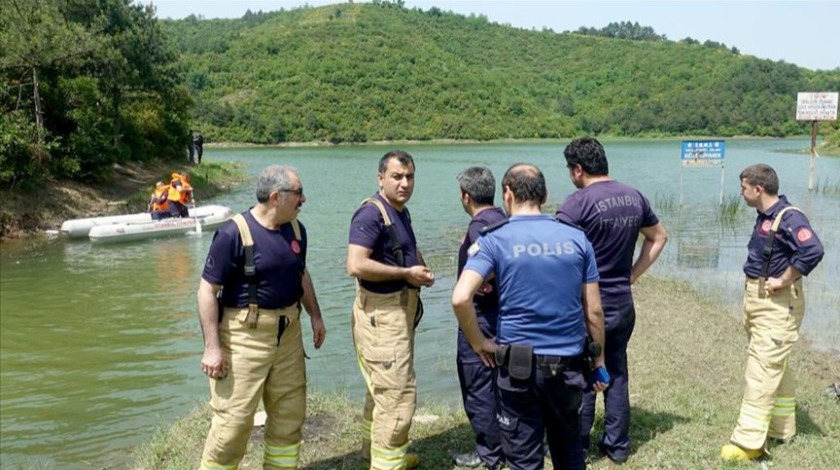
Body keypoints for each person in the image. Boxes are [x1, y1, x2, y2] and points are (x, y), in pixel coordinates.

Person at [452, 163, 608, 470]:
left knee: (523, 459)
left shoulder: (494, 239)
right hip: (569, 368)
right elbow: (594, 311)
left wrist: (479, 342)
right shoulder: (577, 239)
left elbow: (460, 297)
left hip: (518, 370)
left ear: (507, 194)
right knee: (569, 451)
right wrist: (599, 361)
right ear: (546, 195)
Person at [197, 165, 327, 469]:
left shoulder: (296, 230)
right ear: (275, 197)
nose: (303, 199)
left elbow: (301, 274)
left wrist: (315, 317)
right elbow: (206, 291)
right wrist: (212, 347)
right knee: (233, 424)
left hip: (289, 335)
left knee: (289, 415)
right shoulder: (233, 233)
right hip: (244, 337)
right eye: (298, 193)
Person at [556, 137, 668, 464]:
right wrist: (631, 274)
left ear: (578, 169)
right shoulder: (634, 196)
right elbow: (659, 236)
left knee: (583, 368)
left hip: (587, 304)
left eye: (570, 171)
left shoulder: (577, 204)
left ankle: (578, 442)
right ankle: (617, 446)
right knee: (616, 368)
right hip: (622, 301)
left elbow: (558, 254)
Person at [720, 164, 824, 461]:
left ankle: (749, 442)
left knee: (761, 368)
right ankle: (781, 428)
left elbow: (813, 250)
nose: (740, 193)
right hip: (760, 301)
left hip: (777, 303)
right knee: (775, 364)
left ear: (758, 189)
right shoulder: (766, 217)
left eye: (743, 188)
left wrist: (784, 278)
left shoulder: (789, 217)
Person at [347, 150, 435, 470]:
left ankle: (376, 454)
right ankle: (388, 463)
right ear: (380, 178)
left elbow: (404, 246)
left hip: (399, 313)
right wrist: (405, 275)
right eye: (397, 177)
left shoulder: (399, 211)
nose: (405, 183)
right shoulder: (370, 214)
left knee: (382, 391)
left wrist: (419, 266)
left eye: (409, 177)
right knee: (398, 396)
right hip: (382, 316)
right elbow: (355, 264)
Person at [452, 167, 506, 470]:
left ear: (466, 196)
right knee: (502, 386)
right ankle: (508, 444)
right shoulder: (504, 219)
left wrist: (476, 340)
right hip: (504, 315)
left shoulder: (479, 228)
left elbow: (473, 281)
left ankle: (490, 454)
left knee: (479, 387)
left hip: (482, 318)